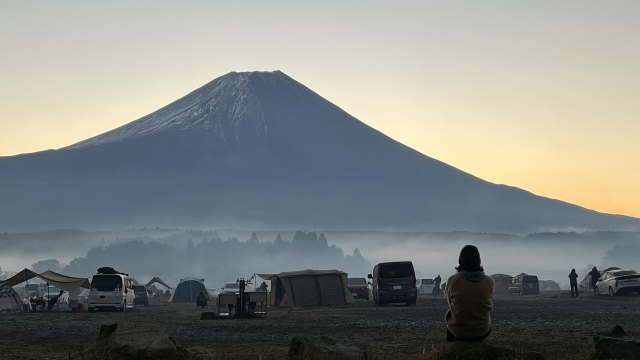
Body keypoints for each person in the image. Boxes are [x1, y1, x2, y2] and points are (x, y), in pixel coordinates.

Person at [445, 245, 495, 343]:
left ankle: (451, 349)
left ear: (460, 261)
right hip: (482, 331)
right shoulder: (489, 281)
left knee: (449, 315)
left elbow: (450, 303)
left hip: (458, 332)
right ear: (479, 261)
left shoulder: (453, 281)